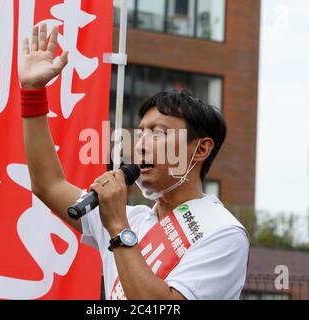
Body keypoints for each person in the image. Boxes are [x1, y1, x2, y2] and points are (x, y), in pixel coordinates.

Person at [19, 24, 249, 300]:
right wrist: (32, 92)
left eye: (159, 133)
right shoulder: (135, 218)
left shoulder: (222, 232)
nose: (141, 144)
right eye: (141, 133)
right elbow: (48, 184)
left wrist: (117, 228)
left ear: (201, 149)